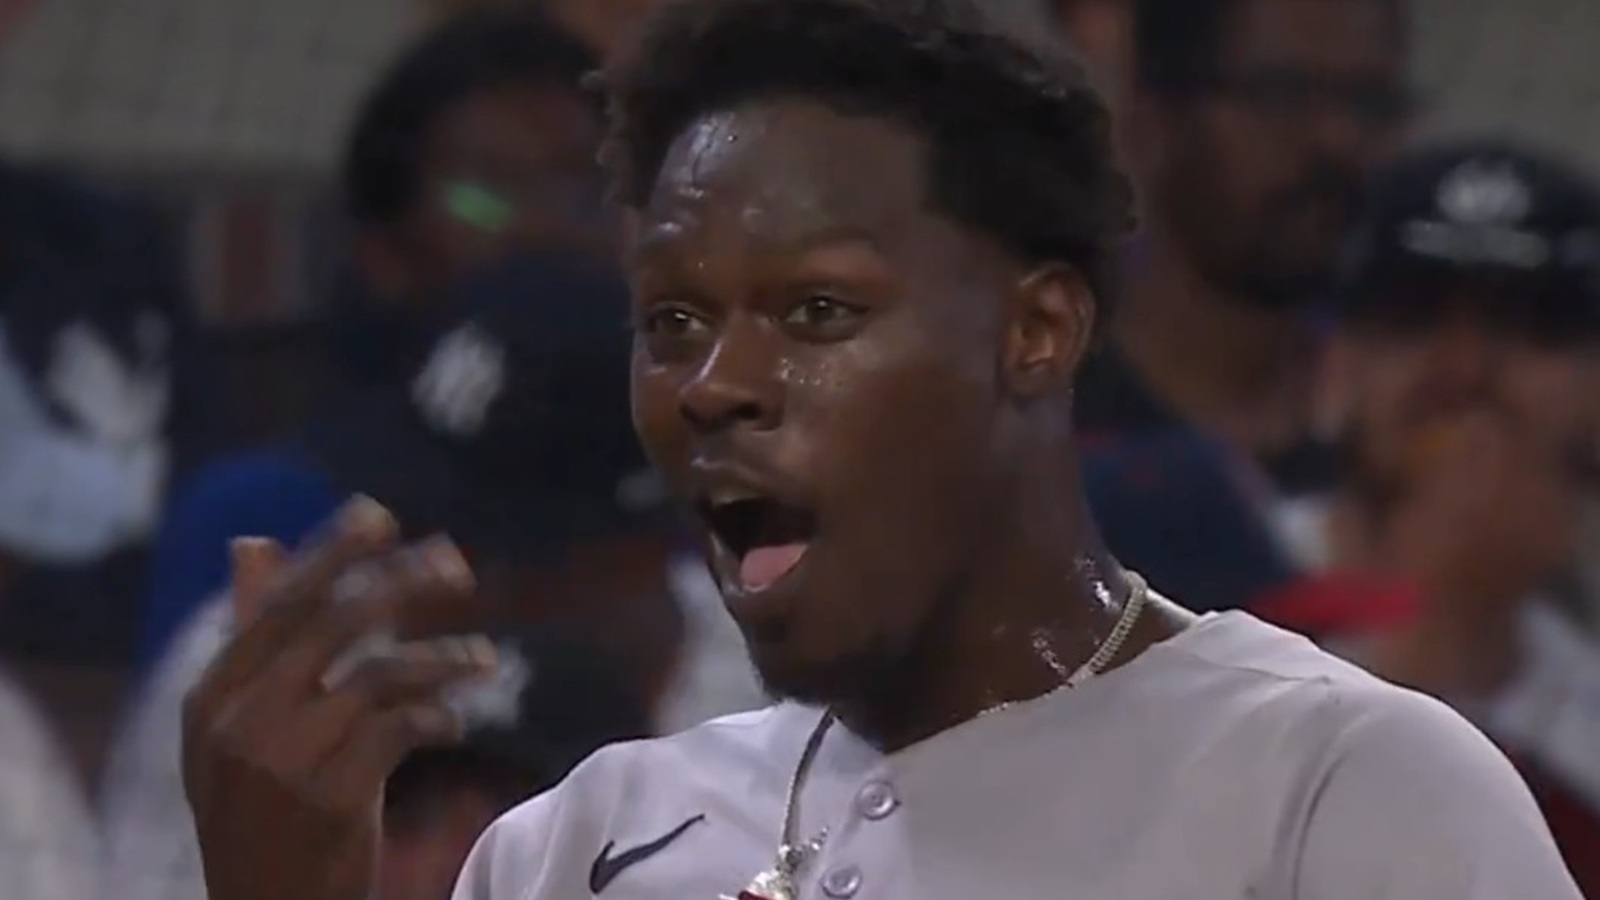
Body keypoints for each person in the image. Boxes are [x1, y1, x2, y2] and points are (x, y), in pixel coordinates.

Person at [180, 2, 1581, 899]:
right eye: (672, 317)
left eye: (818, 310)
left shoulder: (1338, 784)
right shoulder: (584, 841)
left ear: (1036, 331)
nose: (716, 384)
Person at [135, 8, 605, 673]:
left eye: (589, 189)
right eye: (483, 197)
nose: (546, 229)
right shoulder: (267, 514)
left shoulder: (707, 495)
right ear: (385, 254)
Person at [1252, 141, 1600, 894]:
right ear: (1334, 364)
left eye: (1531, 323)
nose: (1467, 368)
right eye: (1415, 315)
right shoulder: (1194, 566)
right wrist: (1436, 613)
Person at [1075, 0, 1412, 495]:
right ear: (1152, 120)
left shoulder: (1398, 446)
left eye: (1368, 101)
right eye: (1283, 94)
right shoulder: (1031, 422)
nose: (1336, 140)